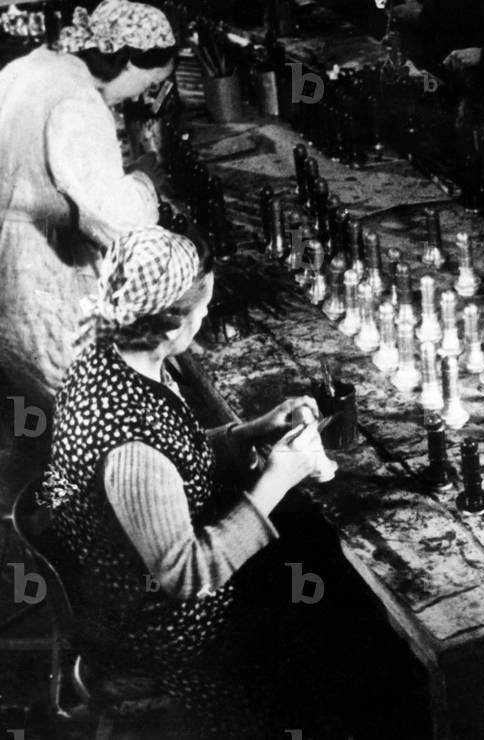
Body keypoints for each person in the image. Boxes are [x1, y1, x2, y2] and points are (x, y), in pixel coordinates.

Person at [39, 227, 366, 738]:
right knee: (338, 613)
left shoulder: (111, 356)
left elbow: (175, 456)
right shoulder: (131, 450)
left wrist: (251, 430)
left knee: (318, 558)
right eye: (203, 307)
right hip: (171, 629)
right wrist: (277, 480)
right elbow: (185, 574)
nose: (208, 314)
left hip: (132, 577)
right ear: (170, 327)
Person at [0, 0, 177, 413]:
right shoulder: (77, 102)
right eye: (151, 82)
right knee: (88, 409)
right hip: (43, 280)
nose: (144, 95)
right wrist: (145, 181)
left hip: (9, 271)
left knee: (35, 406)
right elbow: (116, 222)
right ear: (129, 63)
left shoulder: (25, 69)